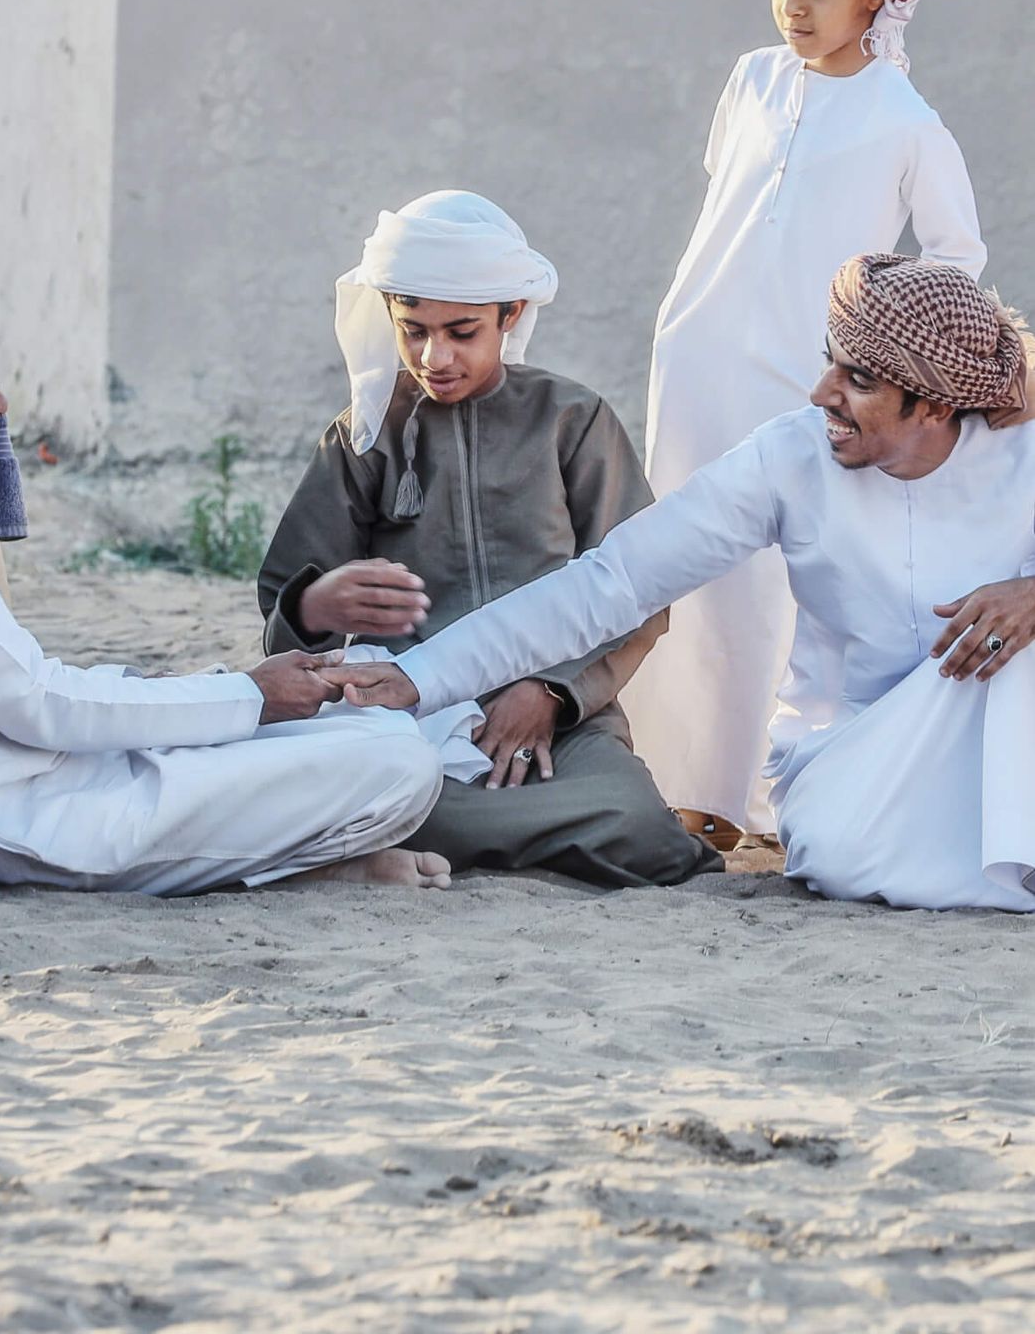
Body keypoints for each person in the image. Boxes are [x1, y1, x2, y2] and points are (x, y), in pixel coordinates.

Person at [321, 255, 1035, 913]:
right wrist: (421, 677)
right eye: (830, 364)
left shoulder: (1021, 456)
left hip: (997, 732)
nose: (821, 393)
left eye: (859, 381)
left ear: (935, 407)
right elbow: (612, 584)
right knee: (843, 859)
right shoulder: (786, 459)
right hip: (854, 757)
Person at [0, 279, 450, 895]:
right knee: (399, 762)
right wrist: (249, 694)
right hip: (46, 817)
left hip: (76, 768)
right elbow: (37, 705)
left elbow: (30, 686)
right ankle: (315, 869)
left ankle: (307, 858)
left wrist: (217, 687)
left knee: (375, 708)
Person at [628, 0, 987, 843]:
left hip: (810, 377)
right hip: (698, 358)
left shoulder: (904, 119)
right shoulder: (749, 81)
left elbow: (956, 258)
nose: (794, 6)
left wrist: (880, 353)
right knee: (686, 565)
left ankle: (762, 800)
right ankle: (681, 789)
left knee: (785, 583)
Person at [258, 190, 718, 888]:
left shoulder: (571, 420)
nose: (432, 355)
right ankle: (472, 829)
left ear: (510, 315)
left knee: (641, 831)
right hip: (406, 717)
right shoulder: (363, 436)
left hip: (557, 715)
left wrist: (549, 692)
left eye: (461, 332)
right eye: (412, 329)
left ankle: (437, 834)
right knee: (340, 793)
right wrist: (315, 607)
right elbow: (286, 617)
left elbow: (641, 595)